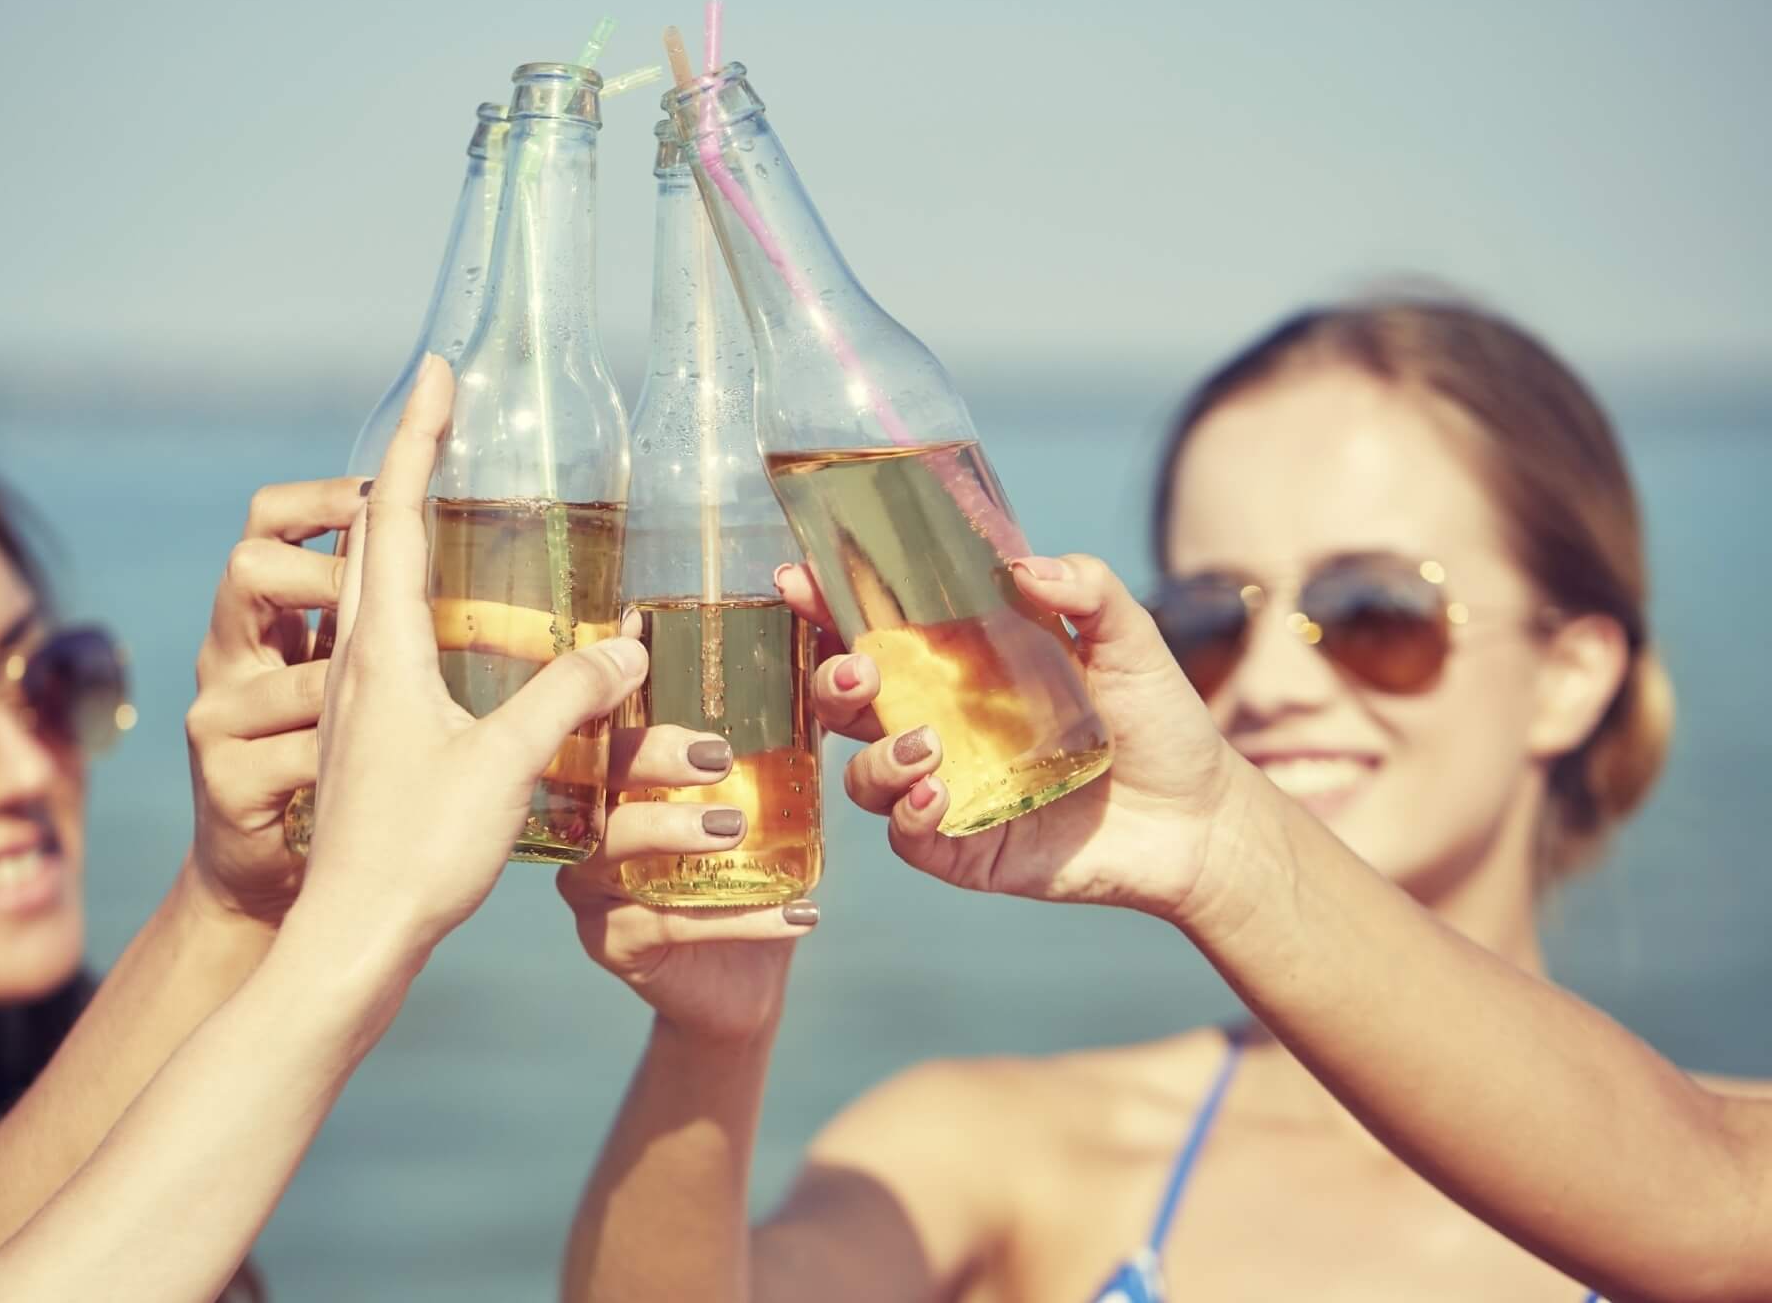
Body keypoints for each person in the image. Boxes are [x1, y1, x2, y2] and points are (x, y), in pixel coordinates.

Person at [561, 296, 1761, 1301]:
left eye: (1371, 612)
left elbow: (1704, 1209)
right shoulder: (998, 1149)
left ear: (1569, 673)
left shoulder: (1723, 1161)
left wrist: (1224, 839)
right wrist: (711, 1036)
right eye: (1207, 617)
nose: (1277, 683)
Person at [0, 376, 744, 1302]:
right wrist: (369, 910)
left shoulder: (140, 1121)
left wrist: (238, 892)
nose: (31, 773)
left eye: (47, 681)